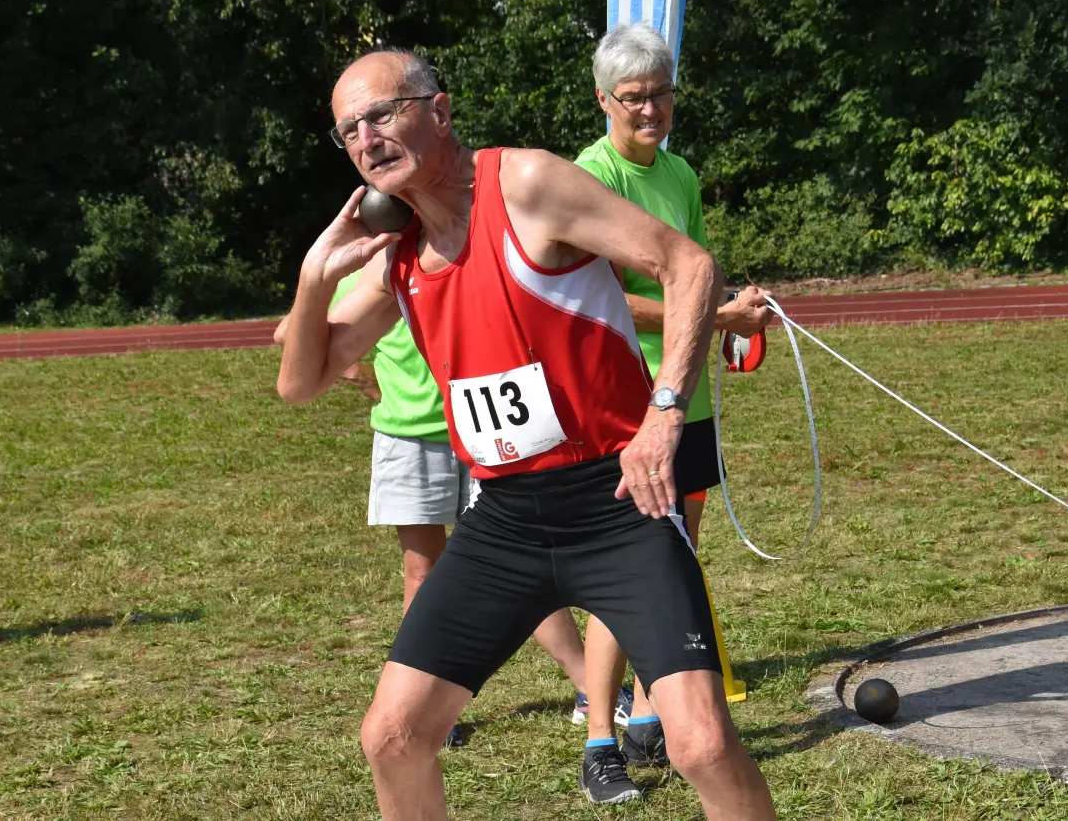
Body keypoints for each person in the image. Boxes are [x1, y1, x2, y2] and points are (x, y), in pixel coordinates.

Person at [277, 48, 776, 820]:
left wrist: (665, 410)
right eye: (348, 130)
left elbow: (688, 266)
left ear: (438, 112)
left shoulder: (527, 185)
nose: (367, 138)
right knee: (393, 736)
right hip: (505, 520)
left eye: (382, 114)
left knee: (703, 745)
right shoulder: (395, 255)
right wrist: (315, 277)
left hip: (619, 504)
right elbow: (301, 381)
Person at [571, 23, 774, 802]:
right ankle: (599, 737)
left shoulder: (680, 174)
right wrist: (718, 318)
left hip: (683, 398)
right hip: (623, 403)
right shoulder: (592, 177)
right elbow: (610, 300)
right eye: (633, 98)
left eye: (660, 93)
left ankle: (652, 717)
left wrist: (720, 319)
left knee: (678, 558)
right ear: (603, 101)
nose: (649, 109)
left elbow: (689, 283)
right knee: (625, 566)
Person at [271, 281, 591, 744]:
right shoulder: (372, 266)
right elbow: (290, 333)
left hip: (488, 429)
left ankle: (589, 689)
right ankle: (427, 711)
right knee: (422, 572)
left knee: (525, 560)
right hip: (411, 435)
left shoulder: (459, 250)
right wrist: (361, 375)